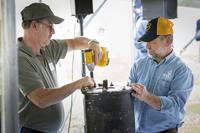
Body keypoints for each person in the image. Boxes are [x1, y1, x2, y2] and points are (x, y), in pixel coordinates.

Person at [18, 3, 103, 133]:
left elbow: (74, 43)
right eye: (50, 26)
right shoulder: (19, 58)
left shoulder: (47, 48)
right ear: (34, 25)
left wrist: (93, 43)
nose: (53, 31)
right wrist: (77, 84)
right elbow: (41, 99)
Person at [128, 17, 194, 132]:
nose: (146, 46)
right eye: (146, 42)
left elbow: (176, 105)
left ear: (167, 41)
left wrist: (147, 97)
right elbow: (129, 96)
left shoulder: (181, 70)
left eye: (152, 42)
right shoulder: (138, 65)